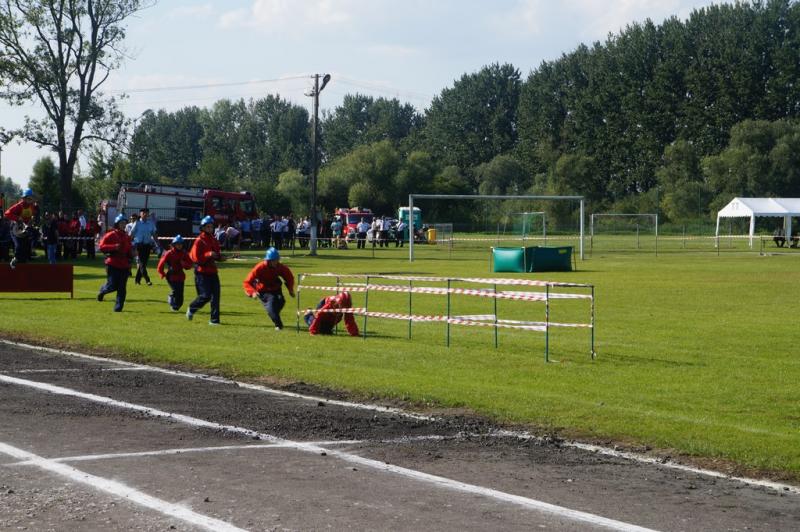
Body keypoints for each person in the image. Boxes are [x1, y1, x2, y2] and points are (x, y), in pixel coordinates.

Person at [242, 247, 295, 330]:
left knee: (281, 301)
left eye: (277, 260)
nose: (276, 262)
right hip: (263, 291)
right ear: (269, 260)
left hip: (276, 288)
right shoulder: (259, 267)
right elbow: (247, 282)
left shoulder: (280, 267)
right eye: (274, 260)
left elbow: (289, 277)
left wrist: (290, 289)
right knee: (272, 305)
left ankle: (273, 314)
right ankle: (278, 325)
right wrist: (252, 292)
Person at [187, 215, 224, 325]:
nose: (210, 229)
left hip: (213, 272)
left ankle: (214, 321)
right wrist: (208, 254)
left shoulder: (214, 240)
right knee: (205, 296)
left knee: (216, 297)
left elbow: (217, 254)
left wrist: (221, 257)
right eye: (207, 227)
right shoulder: (199, 241)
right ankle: (192, 308)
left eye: (211, 227)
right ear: (202, 227)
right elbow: (195, 258)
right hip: (201, 273)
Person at [97, 214, 134, 312]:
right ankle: (102, 291)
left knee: (122, 287)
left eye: (125, 223)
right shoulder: (110, 235)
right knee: (112, 286)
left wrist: (132, 254)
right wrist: (114, 247)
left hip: (124, 265)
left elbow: (129, 249)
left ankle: (118, 307)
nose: (123, 225)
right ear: (117, 224)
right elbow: (101, 246)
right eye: (121, 223)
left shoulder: (126, 236)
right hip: (112, 264)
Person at [4, 188, 39, 267]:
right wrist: (17, 218)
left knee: (27, 246)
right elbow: (6, 214)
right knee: (19, 246)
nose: (31, 200)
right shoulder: (18, 206)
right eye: (29, 198)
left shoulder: (32, 206)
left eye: (31, 198)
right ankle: (14, 259)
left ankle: (24, 261)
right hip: (15, 229)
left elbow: (31, 216)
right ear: (24, 198)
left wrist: (31, 221)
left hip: (25, 228)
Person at [157, 235, 193, 312]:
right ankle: (171, 298)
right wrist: (162, 273)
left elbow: (189, 265)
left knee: (180, 295)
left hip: (180, 276)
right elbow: (161, 263)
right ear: (174, 244)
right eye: (177, 244)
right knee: (175, 291)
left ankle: (176, 306)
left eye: (181, 244)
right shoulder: (169, 253)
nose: (179, 246)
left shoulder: (184, 253)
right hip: (171, 276)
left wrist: (184, 264)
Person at [130, 208, 158, 285]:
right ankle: (147, 280)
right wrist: (129, 243)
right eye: (143, 213)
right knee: (142, 263)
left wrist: (157, 244)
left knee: (143, 264)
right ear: (140, 214)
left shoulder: (151, 223)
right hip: (139, 245)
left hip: (147, 246)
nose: (145, 214)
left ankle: (137, 280)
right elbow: (131, 234)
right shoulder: (137, 223)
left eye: (146, 213)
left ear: (148, 214)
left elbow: (154, 234)